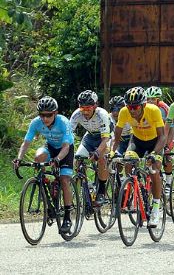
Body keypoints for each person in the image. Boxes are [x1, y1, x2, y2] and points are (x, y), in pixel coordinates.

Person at [13, 97, 75, 233]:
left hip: (65, 149)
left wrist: (57, 159)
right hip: (51, 146)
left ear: (56, 113)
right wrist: (18, 159)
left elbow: (66, 147)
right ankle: (44, 183)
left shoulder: (63, 122)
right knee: (38, 157)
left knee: (64, 180)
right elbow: (26, 143)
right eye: (42, 115)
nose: (45, 118)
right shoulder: (36, 123)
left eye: (49, 115)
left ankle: (67, 216)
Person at [111, 86, 166, 227]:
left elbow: (162, 137)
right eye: (129, 107)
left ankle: (155, 208)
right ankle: (138, 187)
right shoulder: (124, 112)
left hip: (155, 142)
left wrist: (154, 154)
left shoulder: (153, 110)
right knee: (128, 163)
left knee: (154, 170)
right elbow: (117, 135)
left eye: (135, 107)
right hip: (137, 141)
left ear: (143, 105)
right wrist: (112, 152)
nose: (132, 110)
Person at [70, 90, 111, 206]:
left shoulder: (102, 114)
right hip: (89, 137)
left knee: (102, 159)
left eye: (88, 109)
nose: (85, 112)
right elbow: (68, 135)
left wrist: (98, 152)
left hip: (105, 138)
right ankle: (81, 189)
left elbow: (105, 139)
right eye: (82, 109)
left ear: (95, 106)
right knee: (77, 159)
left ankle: (101, 191)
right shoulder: (76, 114)